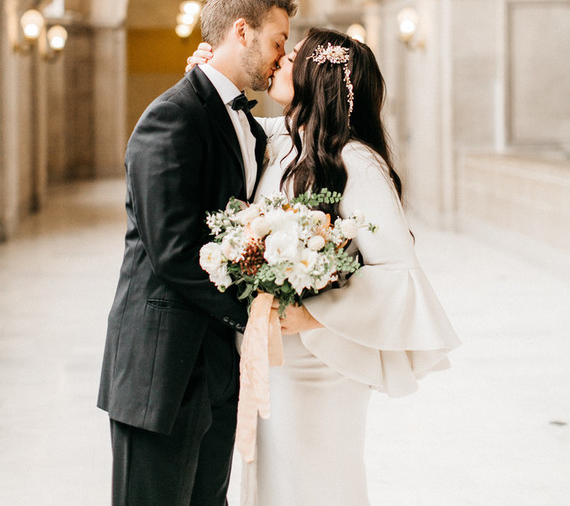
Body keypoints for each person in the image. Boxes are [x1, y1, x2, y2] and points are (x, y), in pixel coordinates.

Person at [188, 27, 460, 506]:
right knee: (272, 483)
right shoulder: (282, 142)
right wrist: (205, 75)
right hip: (270, 357)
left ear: (318, 75)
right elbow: (224, 121)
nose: (279, 61)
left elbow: (400, 276)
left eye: (291, 56)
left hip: (321, 363)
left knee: (317, 481)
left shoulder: (355, 161)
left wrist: (312, 314)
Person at [97, 0, 297, 506]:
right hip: (162, 369)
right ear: (242, 31)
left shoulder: (249, 127)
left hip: (217, 368)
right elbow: (172, 251)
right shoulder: (171, 117)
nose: (281, 55)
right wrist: (254, 308)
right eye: (277, 41)